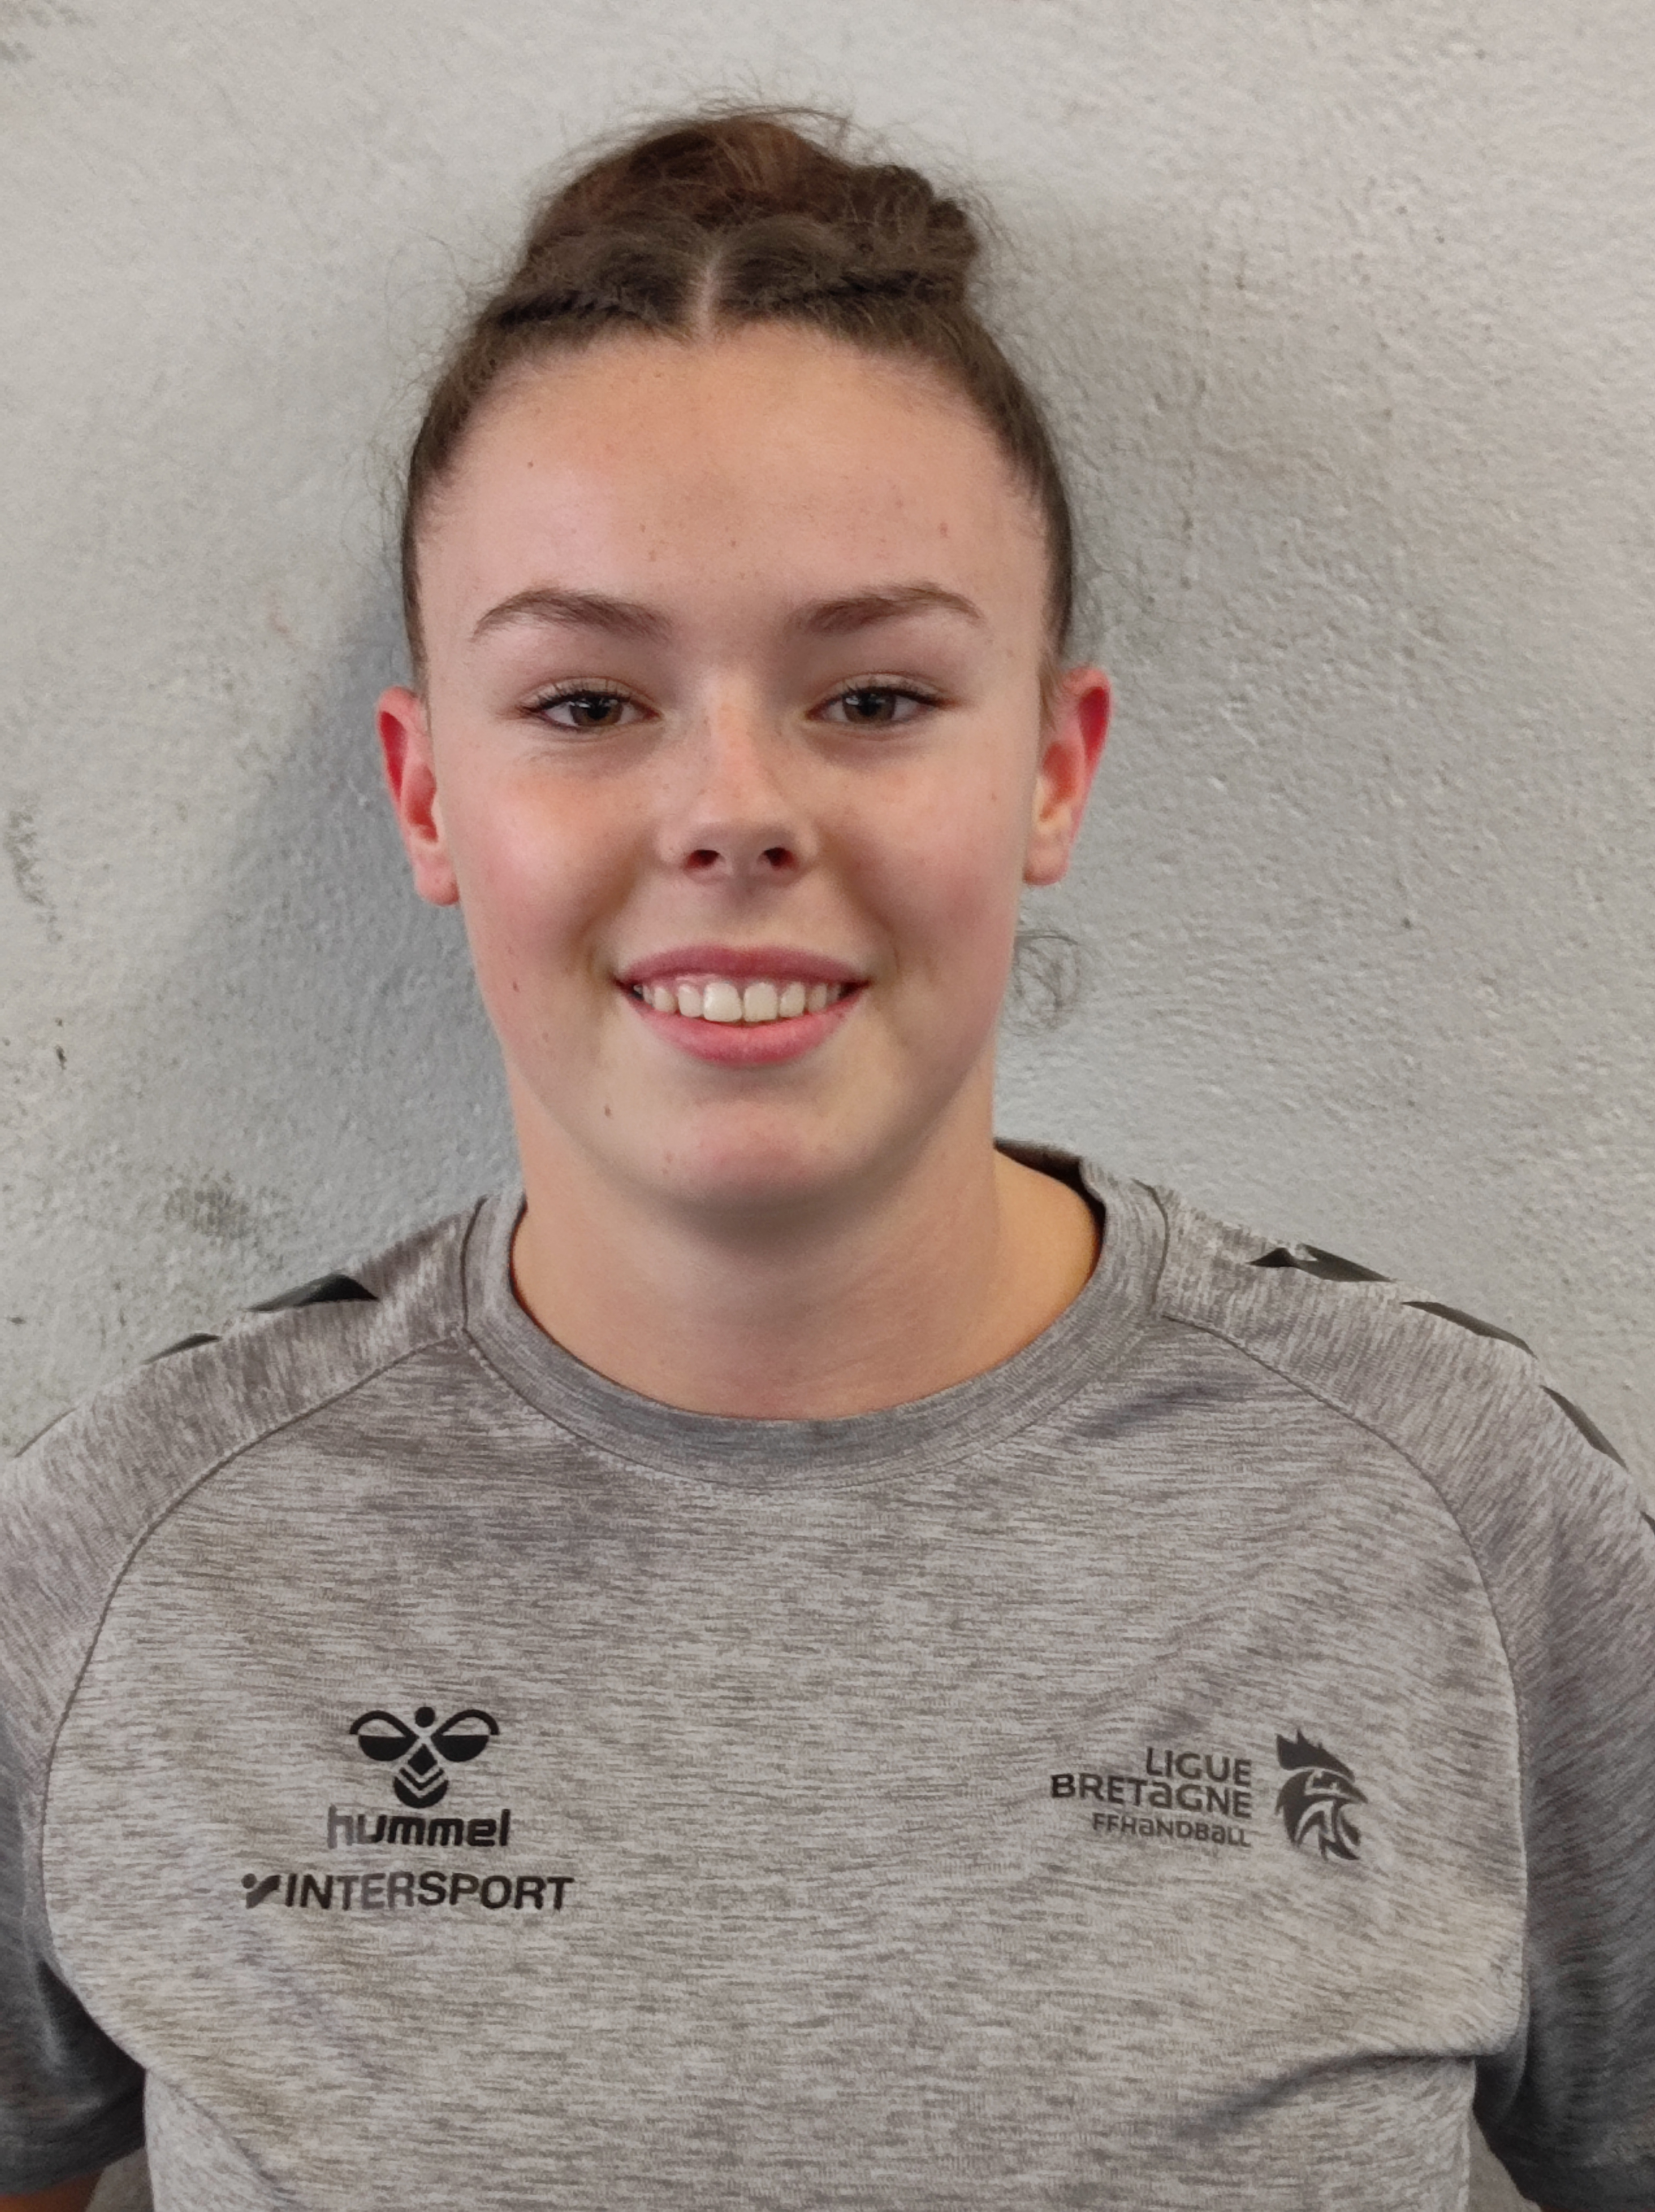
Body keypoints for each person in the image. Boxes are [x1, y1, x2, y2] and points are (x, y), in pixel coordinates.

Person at [0, 107, 1650, 2212]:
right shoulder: (122, 1564)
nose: (732, 811)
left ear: (1050, 768)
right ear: (426, 795)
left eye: (872, 696)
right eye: (584, 703)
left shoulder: (1463, 1516)